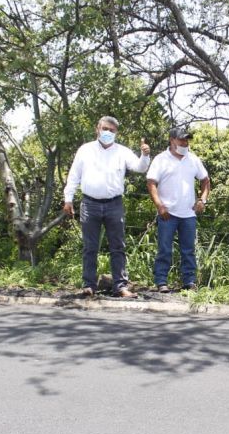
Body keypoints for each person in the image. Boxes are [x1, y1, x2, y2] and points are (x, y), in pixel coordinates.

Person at [63, 116, 150, 298]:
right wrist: (68, 199)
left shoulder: (122, 151)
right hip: (89, 203)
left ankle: (120, 286)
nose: (108, 133)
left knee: (118, 246)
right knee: (90, 247)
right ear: (97, 128)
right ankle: (89, 285)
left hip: (114, 204)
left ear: (116, 132)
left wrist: (145, 155)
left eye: (112, 130)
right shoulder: (85, 150)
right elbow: (73, 176)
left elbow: (140, 168)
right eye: (105, 128)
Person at [147, 127, 211, 293]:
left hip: (188, 213)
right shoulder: (161, 159)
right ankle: (161, 282)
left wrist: (202, 200)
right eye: (181, 139)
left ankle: (189, 282)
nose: (185, 142)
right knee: (164, 249)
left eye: (186, 140)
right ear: (172, 140)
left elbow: (205, 180)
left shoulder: (193, 159)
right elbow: (151, 183)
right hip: (167, 213)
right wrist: (159, 206)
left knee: (188, 250)